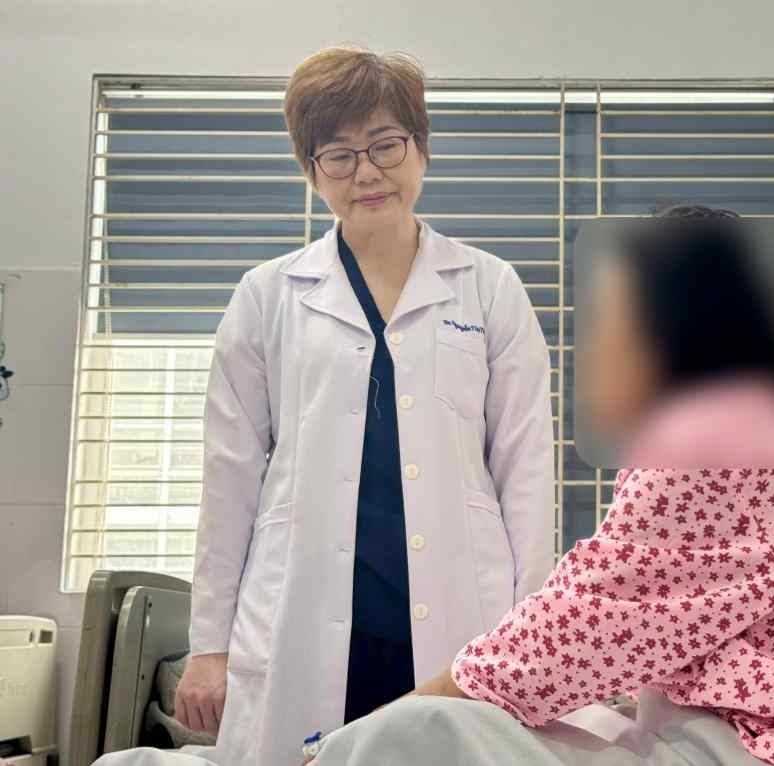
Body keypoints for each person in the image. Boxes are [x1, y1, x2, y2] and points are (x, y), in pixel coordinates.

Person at [301, 207, 774, 765]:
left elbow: (567, 634)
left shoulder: (713, 442)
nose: (594, 345)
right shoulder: (753, 430)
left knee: (421, 735)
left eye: (610, 319)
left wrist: (378, 726)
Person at [161, 45, 554, 766]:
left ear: (422, 149)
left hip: (461, 617)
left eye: (385, 145)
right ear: (311, 171)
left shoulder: (489, 287)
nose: (366, 172)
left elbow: (525, 471)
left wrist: (534, 642)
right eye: (338, 155)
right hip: (303, 613)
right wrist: (209, 645)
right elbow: (229, 478)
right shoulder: (267, 295)